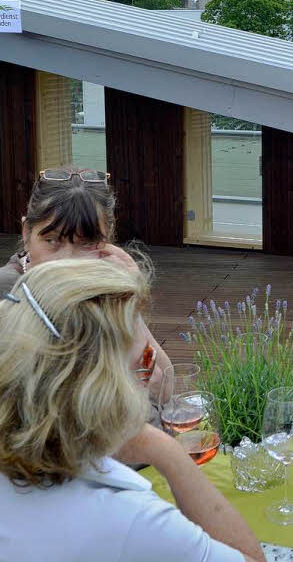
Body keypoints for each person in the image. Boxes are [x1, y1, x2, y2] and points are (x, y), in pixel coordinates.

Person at [0, 258, 265, 562]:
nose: (153, 375)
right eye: (145, 360)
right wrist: (167, 451)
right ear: (103, 387)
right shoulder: (127, 519)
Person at [0, 167, 171, 390]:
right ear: (26, 233)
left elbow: (160, 383)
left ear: (108, 238)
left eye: (86, 244)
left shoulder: (103, 289)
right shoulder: (7, 292)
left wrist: (130, 304)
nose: (67, 260)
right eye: (52, 241)